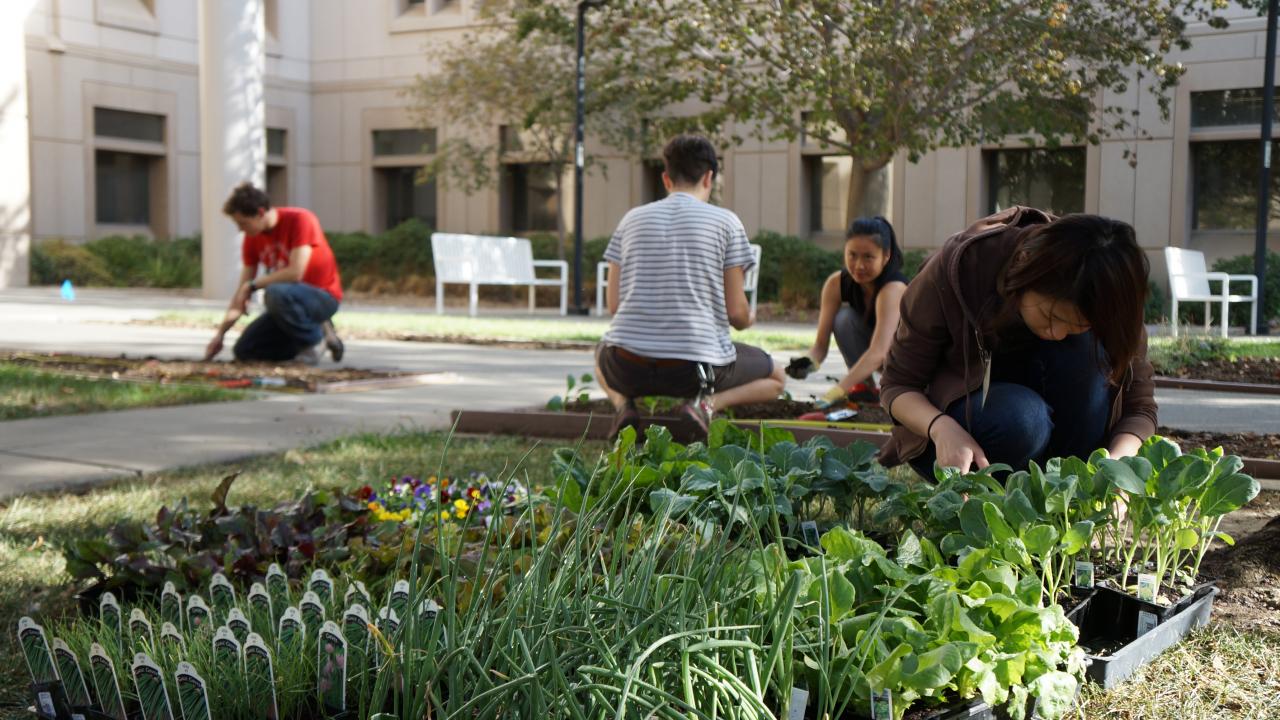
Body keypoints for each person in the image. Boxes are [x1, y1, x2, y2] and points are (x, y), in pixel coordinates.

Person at [878, 207, 1157, 478]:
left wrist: (1118, 466)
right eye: (1051, 316)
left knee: (1087, 352)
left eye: (1077, 326)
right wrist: (941, 427)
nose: (1058, 333)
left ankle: (1067, 491)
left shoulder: (1110, 298)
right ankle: (993, 498)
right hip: (959, 441)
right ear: (1025, 269)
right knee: (1024, 419)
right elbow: (897, 385)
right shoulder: (961, 270)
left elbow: (1139, 407)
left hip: (1057, 449)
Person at [596, 134, 786, 436]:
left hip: (626, 367)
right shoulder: (726, 223)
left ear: (666, 178)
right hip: (692, 372)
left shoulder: (631, 220)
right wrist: (751, 316)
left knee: (601, 350)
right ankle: (703, 407)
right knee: (777, 376)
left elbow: (614, 306)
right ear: (709, 177)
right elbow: (737, 316)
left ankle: (624, 406)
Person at [204, 182, 345, 365]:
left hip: (322, 297)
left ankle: (312, 343)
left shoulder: (301, 219)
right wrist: (220, 336)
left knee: (275, 292)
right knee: (246, 350)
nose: (240, 229)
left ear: (261, 213)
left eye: (243, 223)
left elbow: (296, 272)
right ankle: (313, 337)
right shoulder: (252, 239)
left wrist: (254, 285)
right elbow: (242, 292)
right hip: (289, 303)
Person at [785, 216, 908, 406]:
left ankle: (893, 393)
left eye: (868, 257)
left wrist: (836, 392)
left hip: (905, 362)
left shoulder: (893, 289)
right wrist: (807, 364)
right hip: (877, 355)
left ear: (886, 256)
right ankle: (864, 390)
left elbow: (879, 352)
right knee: (844, 319)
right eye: (852, 255)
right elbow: (820, 347)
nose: (859, 265)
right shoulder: (836, 283)